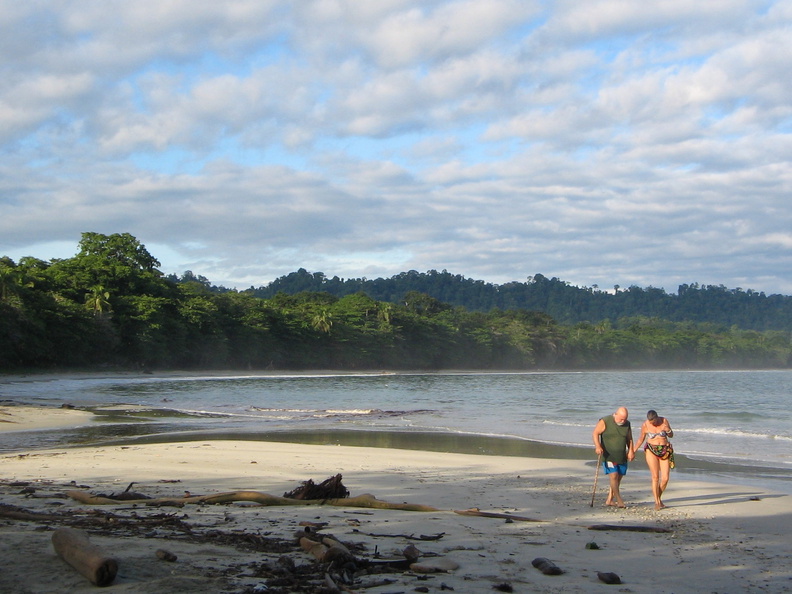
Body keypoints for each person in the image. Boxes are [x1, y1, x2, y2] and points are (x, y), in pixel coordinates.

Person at [592, 406, 635, 508]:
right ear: (616, 414)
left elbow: (629, 439)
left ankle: (610, 499)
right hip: (609, 455)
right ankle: (619, 500)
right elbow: (595, 433)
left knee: (618, 478)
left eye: (625, 419)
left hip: (621, 456)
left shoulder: (627, 424)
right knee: (613, 476)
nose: (623, 421)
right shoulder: (605, 421)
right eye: (621, 419)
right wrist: (598, 446)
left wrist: (631, 451)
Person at [634, 409, 675, 510]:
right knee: (655, 477)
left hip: (664, 450)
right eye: (651, 422)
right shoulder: (645, 425)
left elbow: (671, 435)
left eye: (655, 421)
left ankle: (658, 498)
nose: (654, 424)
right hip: (651, 449)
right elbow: (641, 438)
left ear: (657, 417)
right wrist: (633, 450)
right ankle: (657, 502)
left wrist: (668, 430)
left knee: (665, 478)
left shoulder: (664, 421)